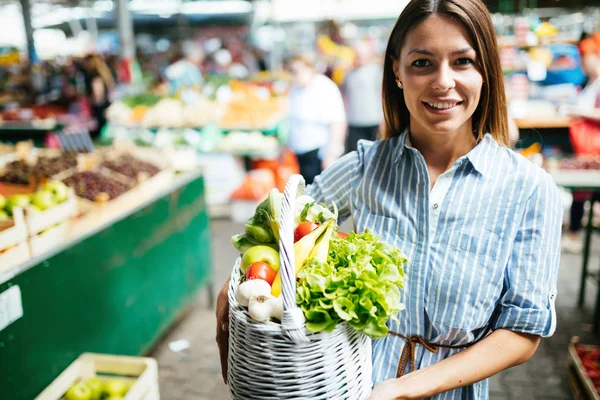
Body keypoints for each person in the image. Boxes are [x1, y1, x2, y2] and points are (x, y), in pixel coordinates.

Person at [217, 0, 563, 398]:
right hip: (350, 386)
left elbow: (522, 331)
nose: (443, 81)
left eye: (463, 61)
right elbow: (281, 225)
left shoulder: (529, 189)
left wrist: (400, 390)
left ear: (487, 71)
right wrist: (238, 284)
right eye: (422, 63)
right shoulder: (366, 166)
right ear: (397, 71)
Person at [562, 33, 600, 253]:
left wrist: (579, 112)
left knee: (582, 192)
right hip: (586, 149)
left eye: (586, 57)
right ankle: (574, 235)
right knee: (580, 193)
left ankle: (575, 236)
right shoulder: (590, 82)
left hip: (594, 151)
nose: (583, 62)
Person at [286, 53, 347, 184]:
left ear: (309, 68)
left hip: (320, 152)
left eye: (297, 71)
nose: (294, 75)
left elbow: (338, 122)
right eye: (292, 72)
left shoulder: (325, 87)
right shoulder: (295, 89)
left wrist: (331, 154)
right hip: (300, 152)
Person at [343, 40, 385, 153]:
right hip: (354, 123)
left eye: (361, 54)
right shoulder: (348, 74)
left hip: (374, 122)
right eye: (357, 54)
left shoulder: (378, 71)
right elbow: (346, 98)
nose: (359, 57)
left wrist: (384, 120)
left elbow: (383, 96)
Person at [81, 54, 115, 138]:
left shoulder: (95, 76)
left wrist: (89, 102)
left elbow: (98, 95)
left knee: (98, 130)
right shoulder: (103, 73)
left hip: (99, 108)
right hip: (104, 106)